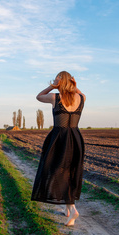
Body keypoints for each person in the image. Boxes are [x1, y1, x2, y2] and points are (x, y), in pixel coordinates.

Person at [31, 71, 86, 226]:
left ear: (60, 81)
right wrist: (76, 87)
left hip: (59, 138)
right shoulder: (81, 98)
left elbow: (38, 96)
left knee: (57, 170)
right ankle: (68, 209)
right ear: (72, 83)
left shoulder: (55, 97)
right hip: (75, 138)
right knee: (69, 170)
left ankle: (72, 208)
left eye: (57, 80)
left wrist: (53, 86)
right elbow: (81, 93)